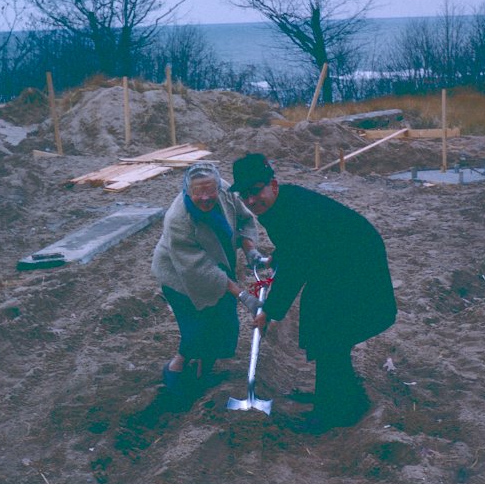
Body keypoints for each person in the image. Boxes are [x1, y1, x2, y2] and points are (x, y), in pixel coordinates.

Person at [230, 153, 397, 432]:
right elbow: (303, 242)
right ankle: (336, 396)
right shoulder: (280, 205)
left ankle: (334, 412)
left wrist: (270, 311)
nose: (250, 201)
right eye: (244, 195)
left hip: (356, 264)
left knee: (330, 331)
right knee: (324, 326)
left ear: (273, 184)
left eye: (255, 191)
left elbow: (298, 265)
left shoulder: (290, 208)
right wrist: (278, 257)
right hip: (336, 262)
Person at [151, 162, 266, 395]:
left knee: (222, 322)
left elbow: (244, 220)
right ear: (187, 191)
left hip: (218, 263)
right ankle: (175, 370)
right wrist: (243, 296)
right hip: (180, 275)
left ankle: (203, 375)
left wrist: (250, 249)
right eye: (198, 193)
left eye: (210, 191)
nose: (206, 197)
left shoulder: (224, 191)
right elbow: (200, 270)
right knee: (197, 330)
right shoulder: (178, 220)